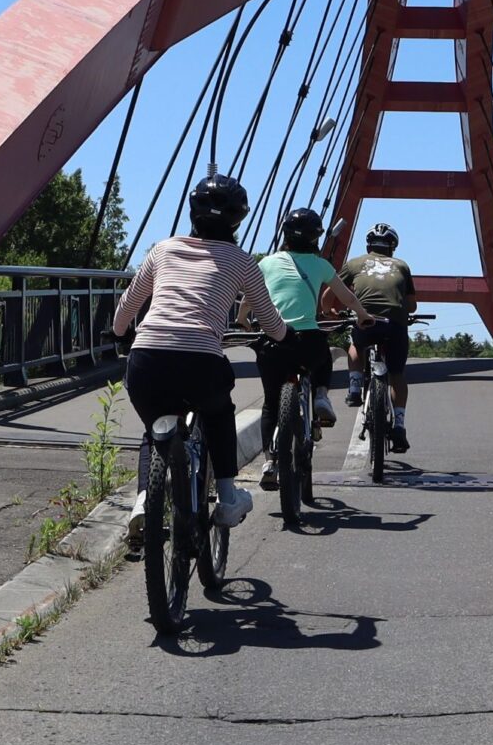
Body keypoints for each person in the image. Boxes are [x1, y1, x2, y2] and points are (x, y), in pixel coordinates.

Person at [109, 173, 287, 535]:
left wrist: (118, 331)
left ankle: (145, 501)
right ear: (239, 217)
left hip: (147, 357)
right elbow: (269, 320)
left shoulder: (163, 249)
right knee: (219, 413)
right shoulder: (241, 261)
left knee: (153, 429)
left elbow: (129, 304)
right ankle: (226, 496)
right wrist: (285, 335)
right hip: (202, 361)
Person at [253, 207, 362, 490]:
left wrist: (242, 320)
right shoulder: (322, 265)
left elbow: (249, 299)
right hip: (307, 342)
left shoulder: (267, 263)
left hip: (272, 342)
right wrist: (363, 315)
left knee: (270, 403)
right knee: (323, 356)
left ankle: (269, 461)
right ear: (316, 238)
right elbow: (347, 297)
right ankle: (322, 396)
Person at [341, 221, 416, 455]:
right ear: (393, 247)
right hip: (394, 325)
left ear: (368, 245)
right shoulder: (402, 266)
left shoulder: (354, 263)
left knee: (356, 344)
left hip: (366, 320)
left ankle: (354, 388)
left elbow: (333, 290)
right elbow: (412, 305)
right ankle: (400, 425)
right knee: (396, 375)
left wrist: (331, 311)